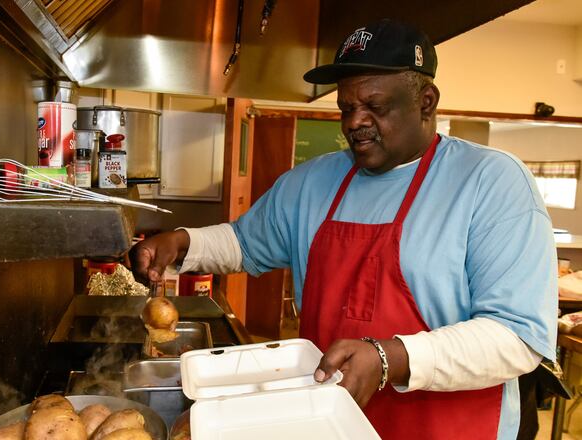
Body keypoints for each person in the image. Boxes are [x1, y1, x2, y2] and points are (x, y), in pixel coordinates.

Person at [131, 19, 557, 439]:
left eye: (375, 106)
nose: (355, 122)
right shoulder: (312, 181)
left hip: (447, 429)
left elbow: (517, 336)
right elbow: (244, 242)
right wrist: (184, 242)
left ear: (426, 101)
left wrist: (391, 357)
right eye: (347, 108)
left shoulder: (490, 182)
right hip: (325, 424)